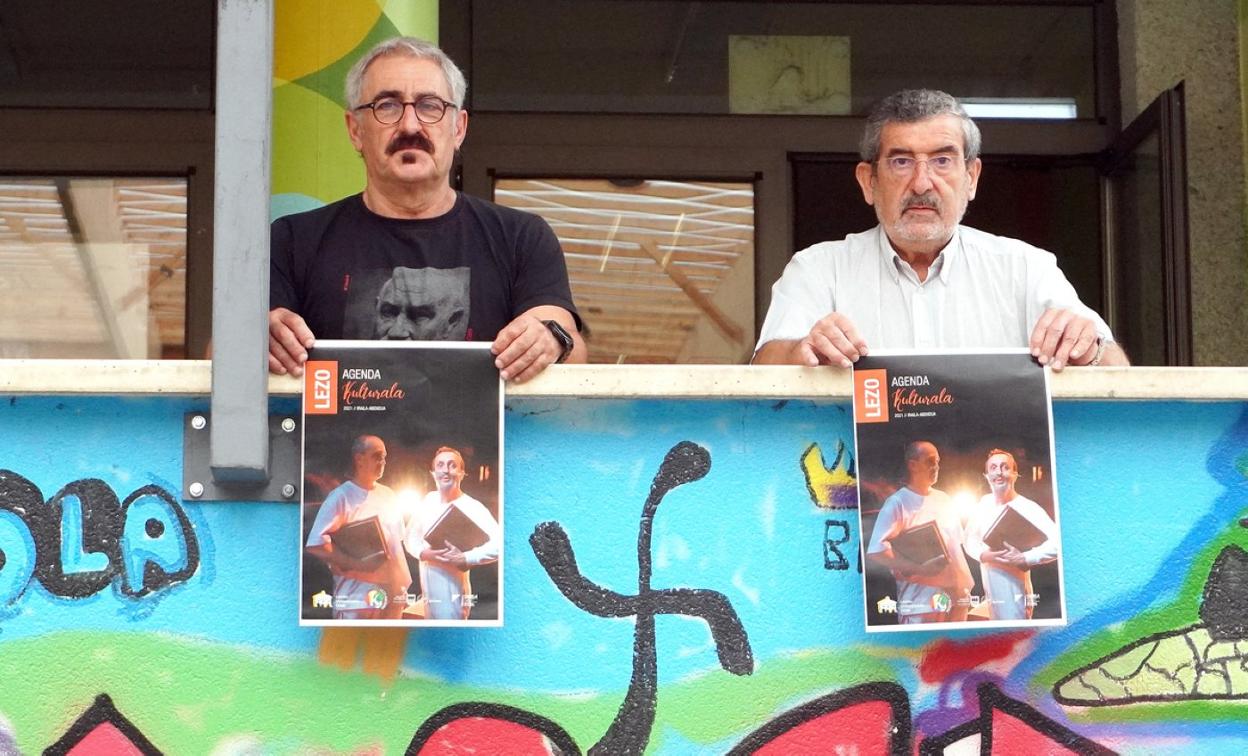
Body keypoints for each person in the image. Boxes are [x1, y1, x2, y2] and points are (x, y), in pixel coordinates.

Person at [269, 36, 585, 382]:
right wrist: (256, 337)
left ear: (458, 128)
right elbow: (232, 355)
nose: (410, 126)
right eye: (387, 106)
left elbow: (570, 350)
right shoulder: (291, 240)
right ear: (355, 130)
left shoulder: (521, 238)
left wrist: (551, 339)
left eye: (430, 106)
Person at [753, 89, 1128, 371]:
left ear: (972, 178)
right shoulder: (818, 269)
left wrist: (1089, 349)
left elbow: (1116, 369)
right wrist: (802, 351)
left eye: (942, 160)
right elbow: (762, 370)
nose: (921, 183)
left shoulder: (1025, 268)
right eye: (901, 161)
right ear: (869, 181)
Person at [866, 440, 974, 624]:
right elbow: (876, 551)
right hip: (921, 605)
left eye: (938, 462)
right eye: (930, 461)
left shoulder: (944, 499)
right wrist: (920, 569)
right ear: (913, 465)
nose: (936, 467)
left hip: (957, 601)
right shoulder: (898, 502)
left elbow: (956, 549)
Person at [305, 435, 412, 620]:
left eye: (384, 457)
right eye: (377, 456)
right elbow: (316, 544)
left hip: (392, 598)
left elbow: (397, 546)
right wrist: (356, 564)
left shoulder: (389, 495)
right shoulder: (341, 496)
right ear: (359, 459)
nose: (382, 462)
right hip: (356, 600)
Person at [962, 449, 1058, 621]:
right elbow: (969, 538)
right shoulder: (984, 503)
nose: (999, 472)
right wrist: (983, 555)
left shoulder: (1028, 507)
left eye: (1005, 467)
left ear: (1015, 474)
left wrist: (1026, 557)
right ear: (987, 476)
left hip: (1016, 596)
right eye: (993, 468)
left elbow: (1059, 544)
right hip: (991, 593)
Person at [407, 446, 500, 620]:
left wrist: (467, 558)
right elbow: (410, 536)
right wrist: (423, 553)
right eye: (440, 465)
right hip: (428, 595)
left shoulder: (472, 507)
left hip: (453, 598)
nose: (446, 470)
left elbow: (500, 544)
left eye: (452, 465)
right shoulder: (428, 500)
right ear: (433, 473)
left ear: (462, 473)